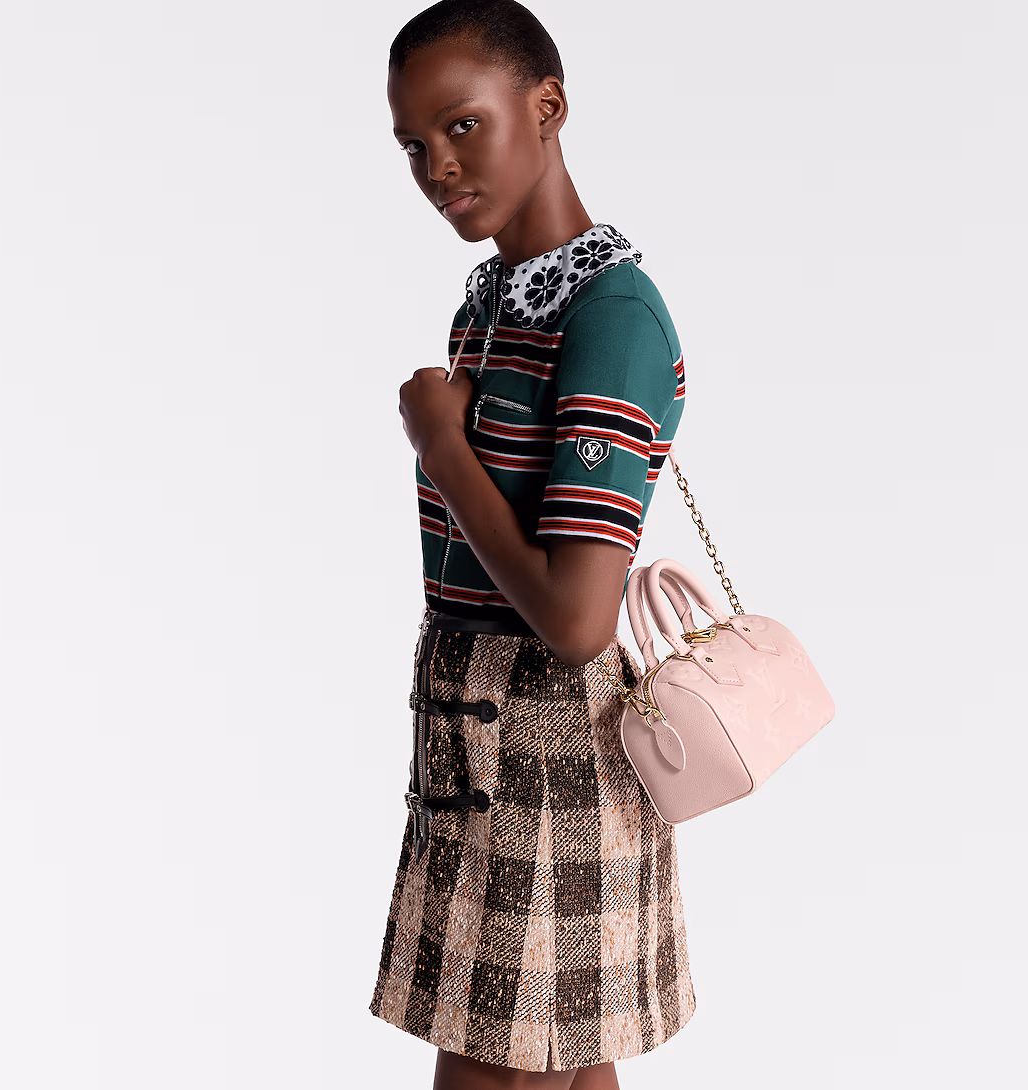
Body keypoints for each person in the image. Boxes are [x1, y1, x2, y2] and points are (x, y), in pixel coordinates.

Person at [370, 2, 697, 1086]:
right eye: (414, 144)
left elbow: (576, 619)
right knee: (553, 1067)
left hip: (553, 749)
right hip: (472, 738)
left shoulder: (611, 318)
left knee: (509, 1070)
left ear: (546, 106)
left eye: (461, 125)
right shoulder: (496, 303)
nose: (436, 166)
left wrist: (440, 444)